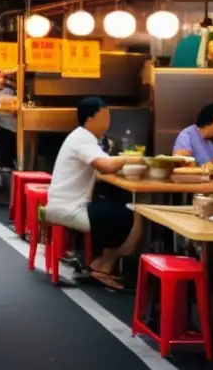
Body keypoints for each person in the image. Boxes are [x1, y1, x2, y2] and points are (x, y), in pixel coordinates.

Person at [45, 97, 144, 290]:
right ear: (90, 119)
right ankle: (102, 266)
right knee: (135, 216)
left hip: (68, 203)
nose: (109, 122)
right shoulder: (83, 138)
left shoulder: (84, 137)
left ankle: (101, 264)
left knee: (119, 210)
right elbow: (105, 165)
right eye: (105, 117)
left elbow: (102, 167)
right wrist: (130, 157)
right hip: (70, 208)